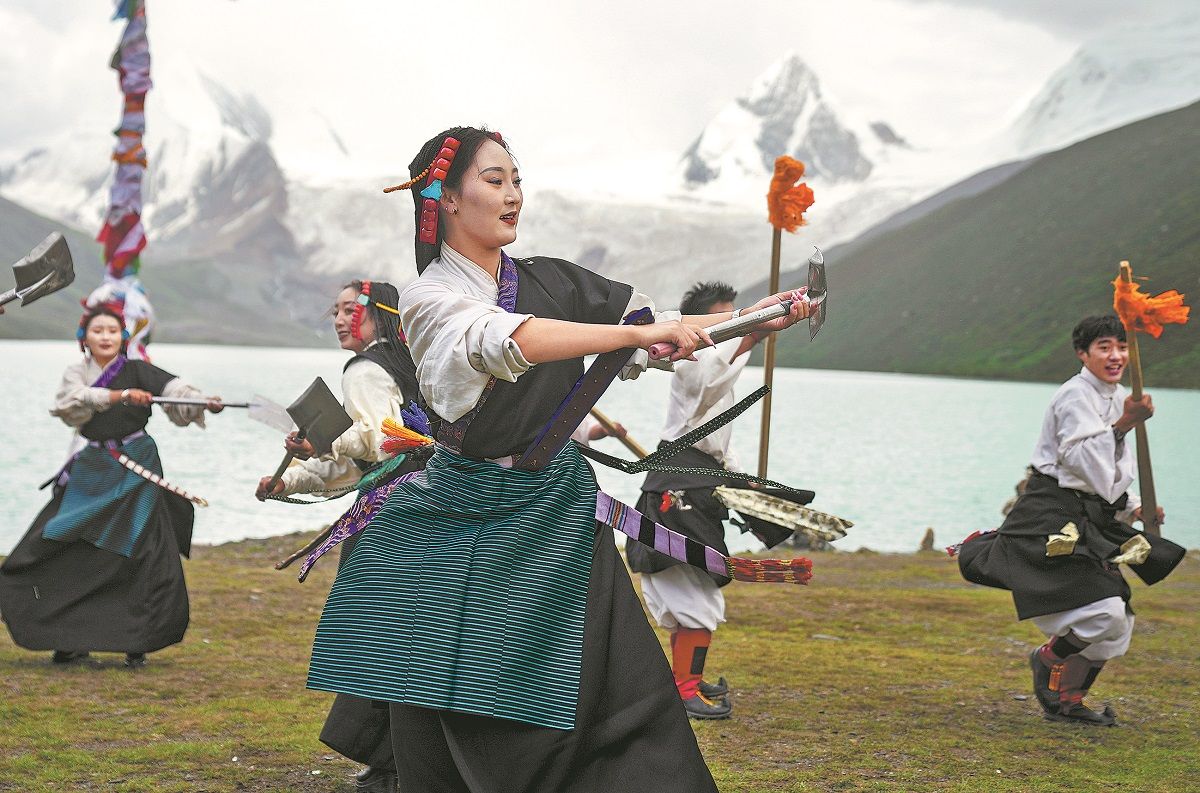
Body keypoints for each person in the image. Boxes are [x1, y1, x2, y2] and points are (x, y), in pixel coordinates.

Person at [303, 126, 812, 792]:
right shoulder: (430, 300)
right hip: (467, 514)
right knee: (459, 694)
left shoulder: (553, 282)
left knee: (616, 683)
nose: (513, 194)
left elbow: (655, 337)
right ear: (447, 198)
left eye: (517, 179)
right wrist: (636, 331)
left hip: (559, 508)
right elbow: (508, 340)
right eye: (494, 180)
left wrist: (748, 321)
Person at [956, 315, 1185, 725]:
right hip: (1051, 514)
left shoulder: (1116, 396)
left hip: (1088, 514)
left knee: (1117, 624)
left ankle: (1066, 701)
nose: (1116, 356)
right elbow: (1079, 461)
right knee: (1105, 612)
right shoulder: (1074, 396)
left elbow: (1110, 470)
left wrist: (1134, 507)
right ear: (1083, 353)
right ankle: (1046, 659)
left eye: (1121, 346)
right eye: (1104, 347)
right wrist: (1124, 424)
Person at [256, 280, 419, 793]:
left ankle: (390, 757)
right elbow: (358, 460)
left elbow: (384, 441)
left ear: (380, 314)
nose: (341, 319)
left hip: (388, 517)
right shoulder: (410, 365)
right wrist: (293, 478)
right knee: (411, 633)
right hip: (425, 504)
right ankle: (404, 754)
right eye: (337, 310)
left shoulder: (367, 369)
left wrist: (318, 440)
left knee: (377, 631)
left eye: (353, 309)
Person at [0, 306, 222, 668]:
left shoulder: (138, 370)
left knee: (138, 546)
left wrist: (201, 401)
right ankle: (67, 637)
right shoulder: (77, 373)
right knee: (60, 536)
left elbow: (174, 389)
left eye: (113, 330)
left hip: (138, 464)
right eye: (97, 330)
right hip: (92, 467)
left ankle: (137, 639)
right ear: (83, 337)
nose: (105, 336)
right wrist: (120, 396)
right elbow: (69, 402)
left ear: (124, 338)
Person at [625, 280, 768, 720]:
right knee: (693, 595)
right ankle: (683, 687)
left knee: (694, 589)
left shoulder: (714, 371)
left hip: (693, 486)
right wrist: (752, 333)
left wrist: (745, 483)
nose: (734, 323)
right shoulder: (690, 364)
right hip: (676, 492)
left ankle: (684, 678)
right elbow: (709, 379)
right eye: (726, 318)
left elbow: (716, 442)